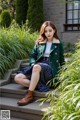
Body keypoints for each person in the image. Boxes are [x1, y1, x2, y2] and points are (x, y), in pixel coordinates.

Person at [14, 21, 65, 106]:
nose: (48, 33)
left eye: (50, 30)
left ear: (54, 30)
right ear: (43, 32)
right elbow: (32, 56)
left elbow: (62, 61)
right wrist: (33, 63)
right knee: (17, 78)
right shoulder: (39, 42)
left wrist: (63, 77)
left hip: (50, 68)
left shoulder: (59, 44)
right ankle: (41, 86)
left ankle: (29, 95)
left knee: (37, 67)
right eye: (45, 31)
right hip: (37, 67)